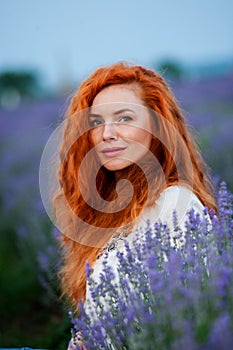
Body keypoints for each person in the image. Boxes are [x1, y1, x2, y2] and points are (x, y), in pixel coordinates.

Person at [53, 62, 216, 349]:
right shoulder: (108, 213)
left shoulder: (175, 204)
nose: (107, 134)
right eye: (96, 122)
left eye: (125, 118)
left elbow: (189, 319)